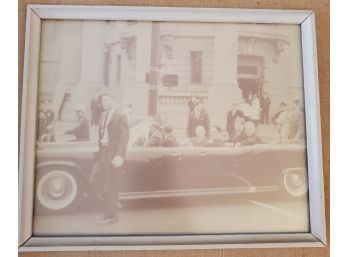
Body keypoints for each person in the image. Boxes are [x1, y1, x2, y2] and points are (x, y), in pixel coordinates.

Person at [89, 93, 131, 224]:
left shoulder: (120, 115)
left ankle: (111, 216)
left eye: (106, 100)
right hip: (103, 153)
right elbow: (101, 135)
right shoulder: (103, 115)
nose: (104, 103)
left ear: (113, 100)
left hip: (113, 155)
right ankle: (113, 201)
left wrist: (119, 155)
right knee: (93, 180)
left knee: (111, 186)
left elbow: (124, 138)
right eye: (102, 101)